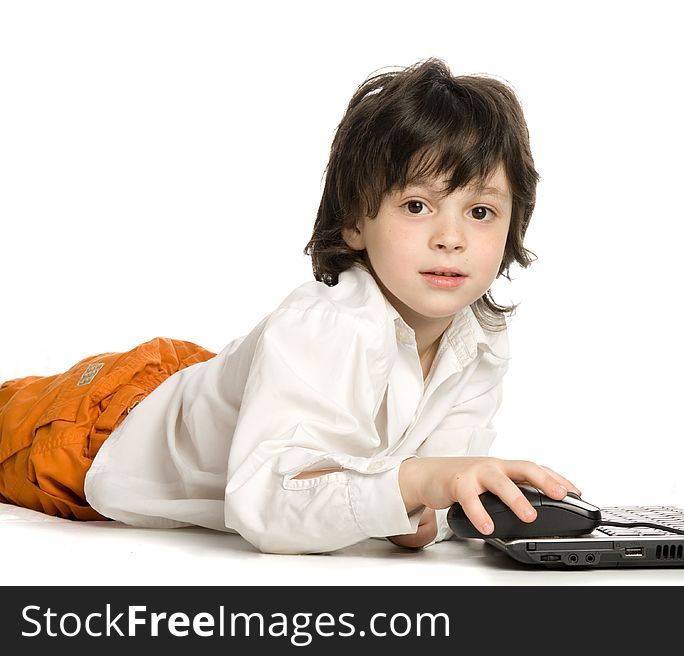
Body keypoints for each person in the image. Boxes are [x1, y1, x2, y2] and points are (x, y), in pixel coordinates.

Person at [0, 58, 580, 554]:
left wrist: (431, 501)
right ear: (355, 220)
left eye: (480, 213)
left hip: (212, 394)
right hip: (102, 429)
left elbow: (421, 489)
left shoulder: (480, 336)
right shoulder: (328, 324)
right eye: (417, 205)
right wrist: (417, 483)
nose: (451, 237)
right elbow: (266, 505)